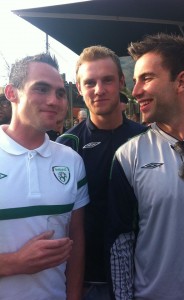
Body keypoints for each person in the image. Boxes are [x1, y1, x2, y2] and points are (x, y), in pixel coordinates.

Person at [108, 33, 184, 300]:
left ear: (180, 81)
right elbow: (120, 243)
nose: (135, 91)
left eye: (146, 78)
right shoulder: (128, 155)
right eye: (135, 81)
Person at [56, 45, 147, 300]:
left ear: (121, 81)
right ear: (78, 87)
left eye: (107, 80)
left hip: (142, 279)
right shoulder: (66, 146)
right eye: (90, 82)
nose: (99, 90)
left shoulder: (148, 141)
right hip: (84, 282)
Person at [0, 53, 89, 300]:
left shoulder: (71, 161)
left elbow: (76, 240)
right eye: (41, 89)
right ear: (12, 93)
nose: (54, 100)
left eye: (60, 93)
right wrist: (14, 262)